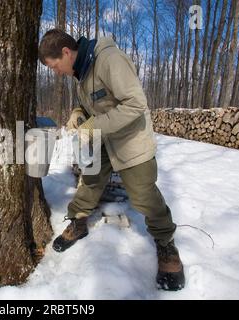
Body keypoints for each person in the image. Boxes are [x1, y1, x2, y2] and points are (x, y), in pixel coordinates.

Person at [38, 29, 185, 291]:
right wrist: (77, 113)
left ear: (66, 52)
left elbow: (134, 103)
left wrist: (94, 124)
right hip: (104, 138)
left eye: (54, 66)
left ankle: (166, 244)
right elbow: (94, 104)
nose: (56, 72)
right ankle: (79, 222)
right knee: (91, 179)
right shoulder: (81, 72)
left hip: (130, 139)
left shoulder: (109, 60)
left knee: (143, 194)